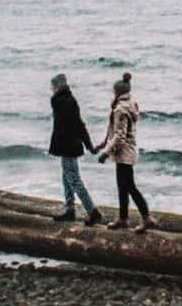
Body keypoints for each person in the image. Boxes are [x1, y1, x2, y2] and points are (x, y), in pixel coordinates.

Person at [96, 71, 158, 232]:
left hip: (125, 153)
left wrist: (106, 153)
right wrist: (103, 144)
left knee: (129, 186)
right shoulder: (130, 104)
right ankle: (123, 218)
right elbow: (114, 132)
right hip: (126, 152)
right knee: (122, 186)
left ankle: (147, 217)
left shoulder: (120, 110)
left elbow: (120, 136)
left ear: (117, 92)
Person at [48, 72, 102, 225]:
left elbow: (75, 123)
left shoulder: (59, 101)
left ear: (58, 86)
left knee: (73, 179)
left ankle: (92, 211)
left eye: (53, 86)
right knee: (67, 176)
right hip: (72, 145)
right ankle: (69, 209)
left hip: (68, 146)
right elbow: (80, 124)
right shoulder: (71, 101)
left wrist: (89, 145)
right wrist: (89, 146)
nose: (51, 89)